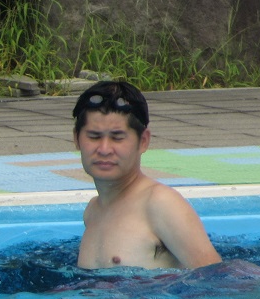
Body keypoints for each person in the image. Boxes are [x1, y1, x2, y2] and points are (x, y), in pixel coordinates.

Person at [72, 80, 222, 270]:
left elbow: (215, 276)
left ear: (143, 141)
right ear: (76, 139)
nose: (104, 149)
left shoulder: (160, 203)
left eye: (117, 138)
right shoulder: (93, 211)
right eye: (94, 137)